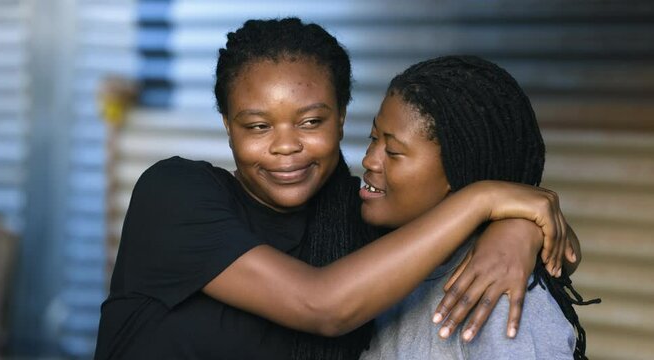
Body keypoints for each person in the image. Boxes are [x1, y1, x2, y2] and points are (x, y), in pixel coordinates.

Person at [94, 19, 579, 360]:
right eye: (258, 126)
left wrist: (516, 229)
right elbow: (322, 305)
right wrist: (487, 201)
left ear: (341, 117)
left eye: (310, 122)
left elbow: (558, 251)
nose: (286, 147)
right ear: (227, 125)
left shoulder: (366, 217)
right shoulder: (174, 195)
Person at [358, 56, 597, 360]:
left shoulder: (499, 291)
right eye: (372, 137)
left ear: (458, 173)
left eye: (392, 151)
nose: (369, 160)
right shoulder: (369, 251)